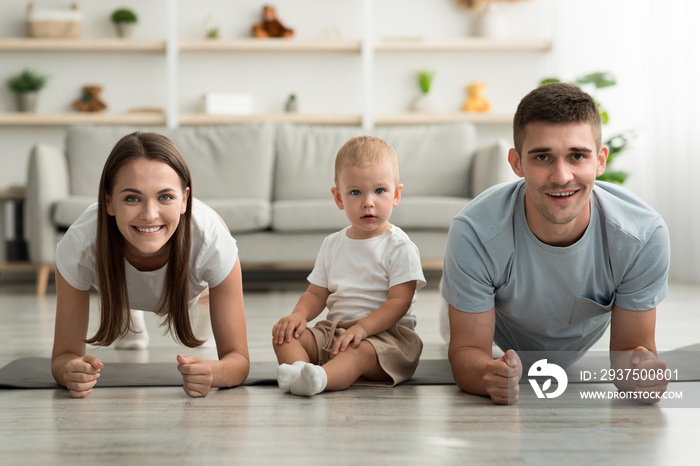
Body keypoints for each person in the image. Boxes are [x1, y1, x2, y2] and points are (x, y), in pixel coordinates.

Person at [442, 82, 670, 405]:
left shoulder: (642, 237)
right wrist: (487, 375)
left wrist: (642, 375)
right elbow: (467, 352)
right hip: (494, 320)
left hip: (573, 336)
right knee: (451, 327)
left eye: (577, 156)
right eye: (542, 157)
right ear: (516, 162)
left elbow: (629, 355)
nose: (562, 176)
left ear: (600, 160)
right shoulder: (474, 233)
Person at [51, 132, 249, 398]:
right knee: (130, 323)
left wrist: (216, 371)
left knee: (205, 321)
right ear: (108, 201)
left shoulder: (212, 242)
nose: (149, 214)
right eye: (132, 198)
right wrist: (69, 371)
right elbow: (63, 357)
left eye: (165, 197)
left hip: (189, 287)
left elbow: (238, 361)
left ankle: (203, 302)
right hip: (118, 281)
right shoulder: (79, 245)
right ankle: (130, 311)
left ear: (185, 200)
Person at [272, 135, 426, 396]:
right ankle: (300, 372)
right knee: (286, 335)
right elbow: (315, 293)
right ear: (338, 197)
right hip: (335, 333)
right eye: (356, 192)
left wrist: (362, 329)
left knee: (359, 352)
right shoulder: (332, 244)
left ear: (396, 194)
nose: (368, 201)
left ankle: (320, 378)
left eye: (380, 191)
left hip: (385, 339)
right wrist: (299, 315)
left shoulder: (399, 246)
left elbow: (399, 302)